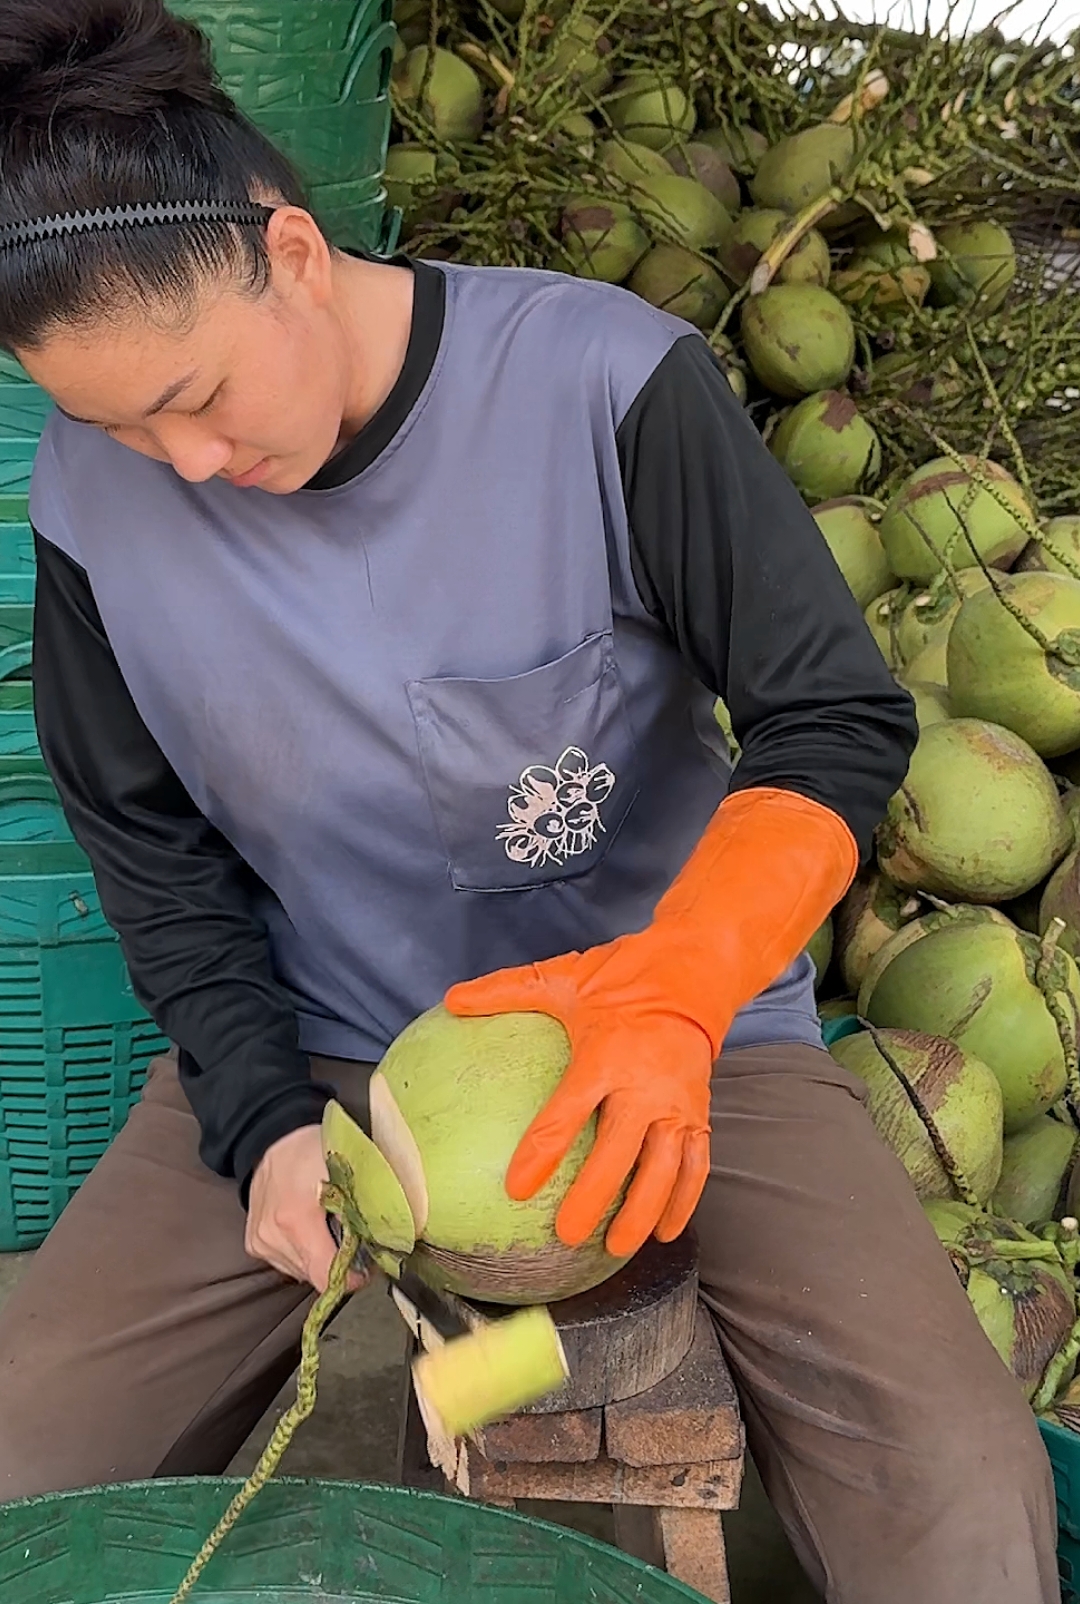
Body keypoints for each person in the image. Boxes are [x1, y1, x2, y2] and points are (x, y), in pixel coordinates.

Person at [0, 1, 1059, 1598]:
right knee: (24, 1449)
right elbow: (149, 848)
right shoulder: (91, 506)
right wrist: (263, 1118)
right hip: (331, 1040)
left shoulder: (596, 380)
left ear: (290, 252)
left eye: (199, 393)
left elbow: (832, 715)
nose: (183, 462)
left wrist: (686, 989)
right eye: (116, 424)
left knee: (957, 1491)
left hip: (674, 1030)